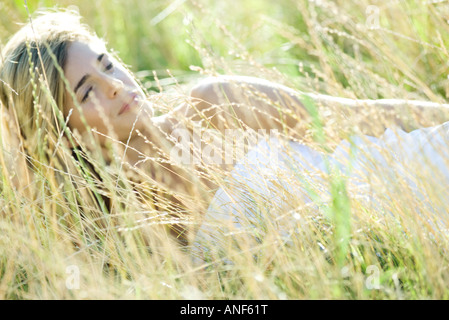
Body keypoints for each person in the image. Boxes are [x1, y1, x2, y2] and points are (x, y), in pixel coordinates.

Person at [1, 8, 449, 249]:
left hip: (416, 175)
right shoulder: (112, 225)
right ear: (63, 128)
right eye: (87, 91)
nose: (116, 86)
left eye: (109, 64)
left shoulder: (213, 104)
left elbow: (362, 116)